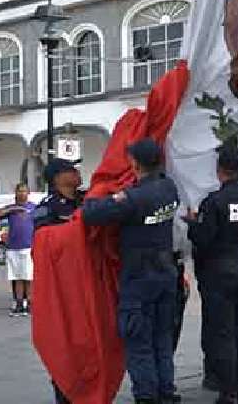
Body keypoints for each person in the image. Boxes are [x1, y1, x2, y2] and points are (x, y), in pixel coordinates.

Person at [82, 138, 181, 404]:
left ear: (135, 163)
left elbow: (92, 213)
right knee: (162, 340)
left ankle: (147, 396)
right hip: (165, 276)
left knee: (139, 343)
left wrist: (104, 195)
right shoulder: (169, 188)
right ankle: (166, 392)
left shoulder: (135, 197)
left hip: (140, 279)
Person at [183, 146, 238, 404]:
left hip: (221, 273)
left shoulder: (214, 201)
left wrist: (193, 223)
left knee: (224, 334)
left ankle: (228, 392)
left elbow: (205, 238)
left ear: (220, 171)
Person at [32, 158, 84, 404]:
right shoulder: (47, 208)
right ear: (57, 178)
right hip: (64, 286)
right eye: (70, 170)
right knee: (64, 341)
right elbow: (43, 243)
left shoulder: (87, 201)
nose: (76, 173)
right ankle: (64, 392)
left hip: (88, 283)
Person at [0, 183, 36, 317]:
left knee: (28, 276)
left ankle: (30, 303)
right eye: (20, 191)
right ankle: (19, 303)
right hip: (13, 247)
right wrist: (13, 209)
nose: (22, 194)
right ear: (16, 193)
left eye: (24, 191)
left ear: (28, 193)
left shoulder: (33, 208)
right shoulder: (11, 208)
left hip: (28, 246)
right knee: (16, 276)